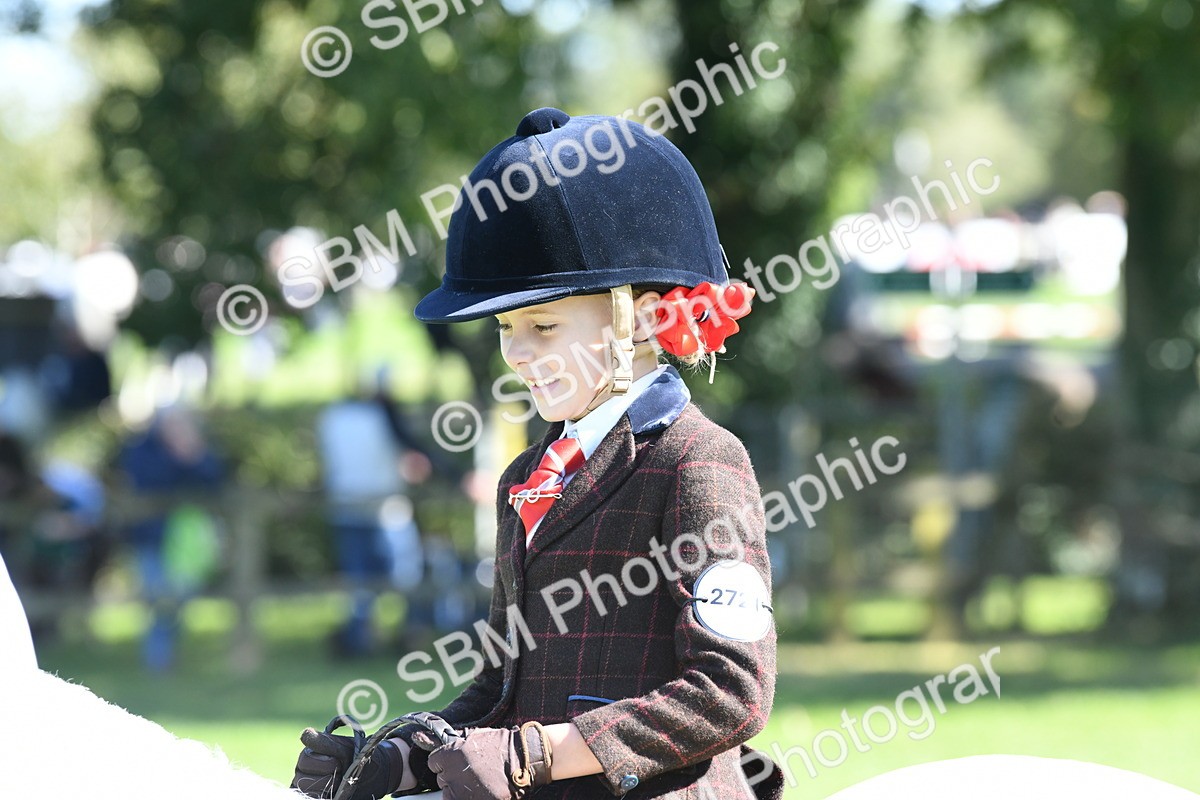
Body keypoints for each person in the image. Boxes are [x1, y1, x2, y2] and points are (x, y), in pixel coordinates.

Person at [291, 107, 784, 800]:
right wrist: (398, 755)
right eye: (506, 328)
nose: (518, 353)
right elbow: (501, 689)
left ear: (639, 317)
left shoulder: (699, 461)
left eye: (543, 326)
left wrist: (536, 755)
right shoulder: (526, 477)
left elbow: (730, 693)